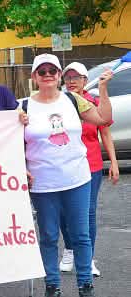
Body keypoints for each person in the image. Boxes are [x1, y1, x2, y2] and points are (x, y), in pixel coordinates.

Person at [19, 53, 113, 297]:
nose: (48, 75)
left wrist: (103, 89)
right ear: (34, 76)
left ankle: (85, 285)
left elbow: (103, 119)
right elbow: (10, 141)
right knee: (49, 236)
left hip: (77, 179)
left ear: (59, 75)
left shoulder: (74, 100)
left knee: (81, 235)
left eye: (53, 71)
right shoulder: (24, 107)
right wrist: (21, 166)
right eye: (42, 71)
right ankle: (52, 285)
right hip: (43, 183)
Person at [57, 62, 118, 277]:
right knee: (63, 211)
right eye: (68, 77)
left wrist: (114, 163)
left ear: (85, 80)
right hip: (64, 165)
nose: (72, 81)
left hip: (91, 164)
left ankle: (88, 257)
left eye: (77, 77)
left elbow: (106, 132)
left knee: (87, 212)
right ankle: (70, 249)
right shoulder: (59, 102)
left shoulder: (92, 102)